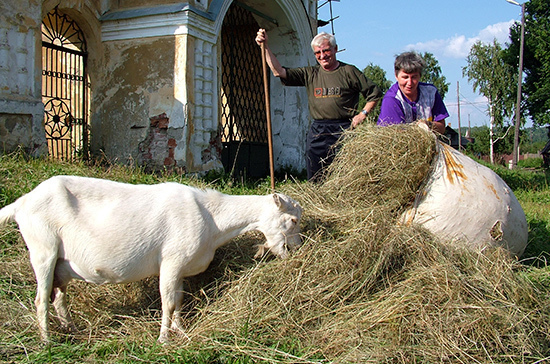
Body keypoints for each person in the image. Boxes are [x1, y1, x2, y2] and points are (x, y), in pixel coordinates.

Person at [255, 28, 382, 181]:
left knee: (341, 174)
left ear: (335, 49)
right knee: (315, 172)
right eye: (317, 53)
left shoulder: (349, 71)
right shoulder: (311, 73)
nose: (322, 56)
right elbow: (279, 72)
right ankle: (317, 199)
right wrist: (266, 46)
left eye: (326, 51)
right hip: (318, 129)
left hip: (344, 128)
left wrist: (363, 114)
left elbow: (374, 94)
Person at [377, 51, 448, 134]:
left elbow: (442, 127)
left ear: (420, 76)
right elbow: (397, 137)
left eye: (414, 77)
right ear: (396, 76)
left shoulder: (431, 93)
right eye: (405, 77)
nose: (409, 83)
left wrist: (428, 125)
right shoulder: (392, 100)